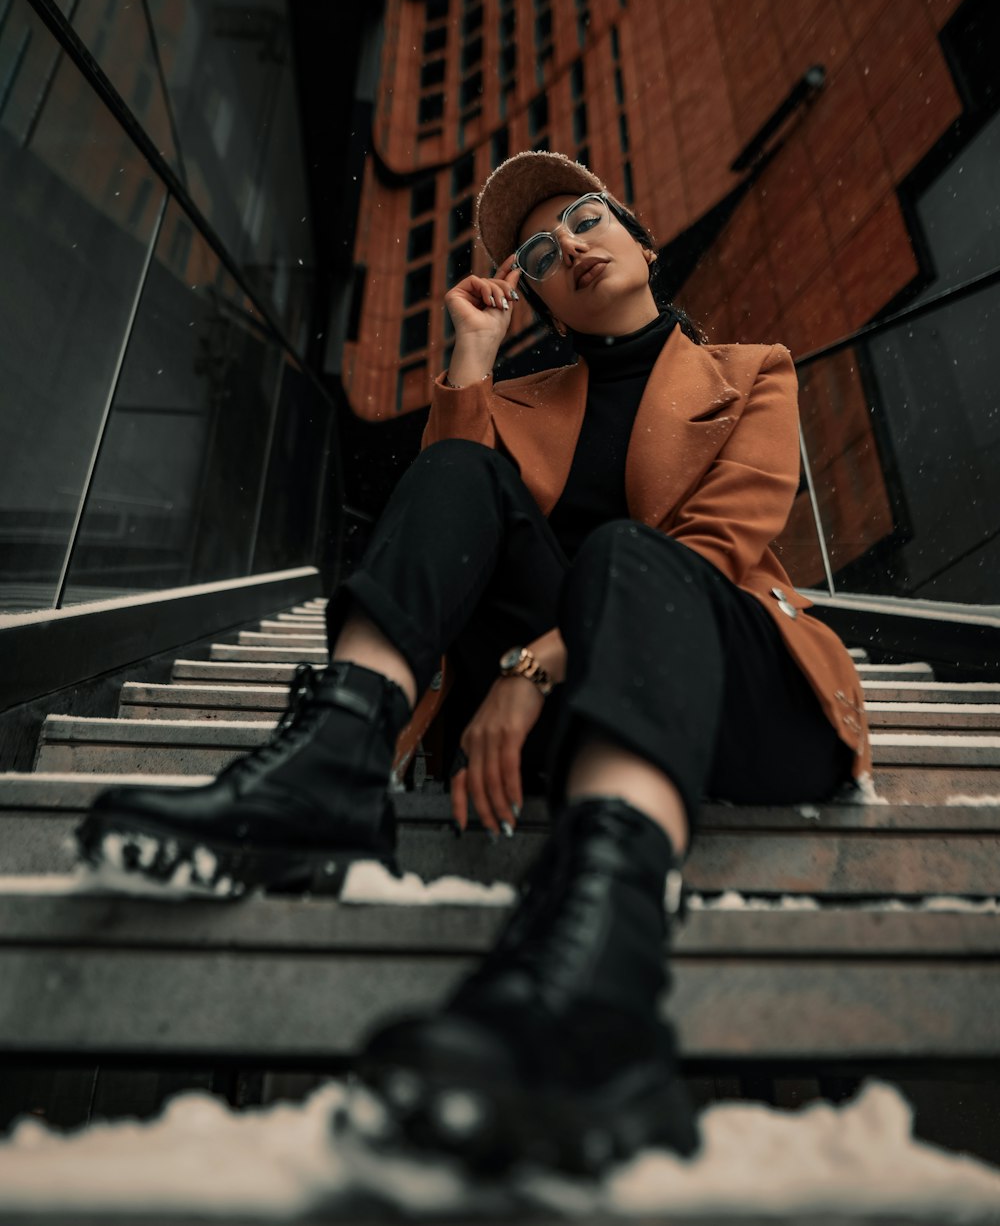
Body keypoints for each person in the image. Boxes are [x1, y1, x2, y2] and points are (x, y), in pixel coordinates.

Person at [76, 151, 871, 1175]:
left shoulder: (751, 368)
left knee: (628, 554)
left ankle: (606, 958)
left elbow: (716, 542)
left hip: (733, 692)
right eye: (540, 251)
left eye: (588, 220)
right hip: (554, 727)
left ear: (642, 240)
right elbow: (446, 526)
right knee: (456, 464)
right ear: (529, 291)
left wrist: (531, 668)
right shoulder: (520, 395)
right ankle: (332, 754)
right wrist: (471, 356)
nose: (570, 246)